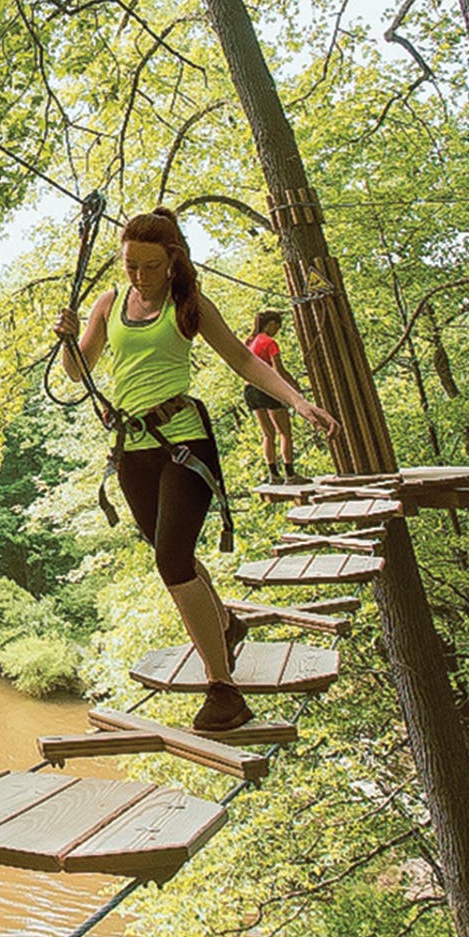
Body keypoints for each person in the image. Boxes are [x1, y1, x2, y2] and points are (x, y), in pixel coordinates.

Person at [54, 208, 338, 732]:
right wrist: (71, 337)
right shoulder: (110, 303)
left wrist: (299, 404)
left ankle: (223, 689)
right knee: (173, 554)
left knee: (173, 562)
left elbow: (244, 361)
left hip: (185, 443)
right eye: (130, 264)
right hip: (133, 449)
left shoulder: (188, 306)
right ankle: (226, 624)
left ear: (172, 262)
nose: (137, 275)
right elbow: (77, 372)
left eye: (149, 266)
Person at [244, 309, 303, 484]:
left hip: (250, 390)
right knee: (285, 432)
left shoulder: (250, 341)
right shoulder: (270, 343)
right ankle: (290, 474)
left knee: (267, 434)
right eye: (277, 327)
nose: (277, 331)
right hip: (267, 389)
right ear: (270, 325)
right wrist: (294, 387)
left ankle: (273, 475)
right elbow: (279, 370)